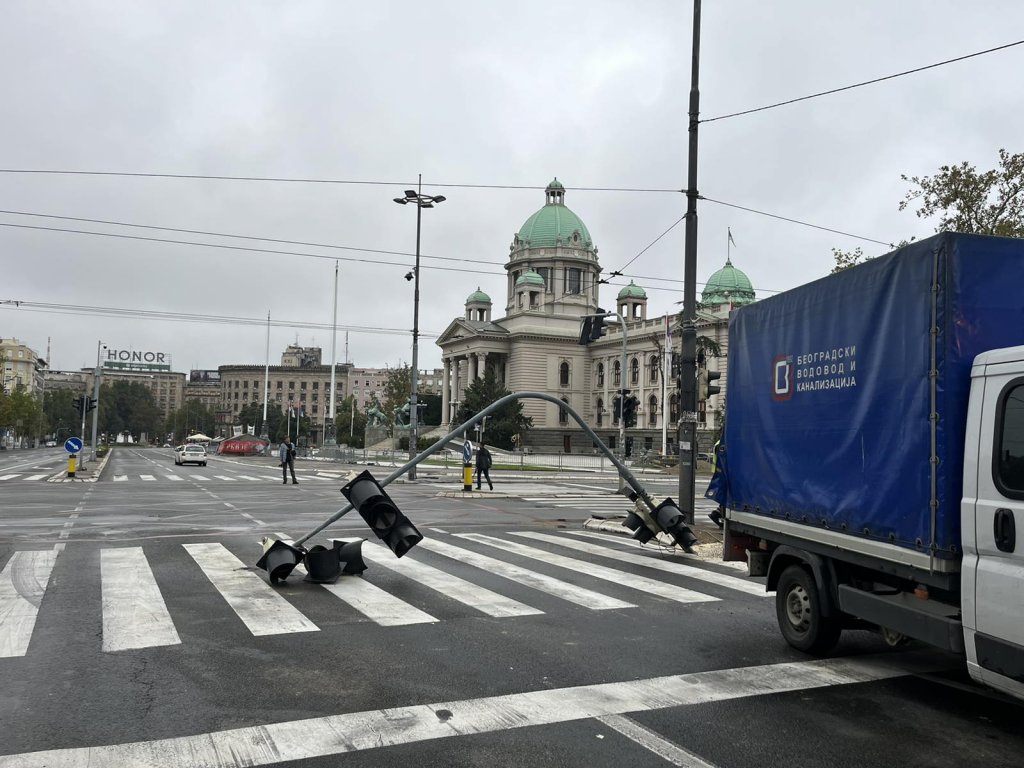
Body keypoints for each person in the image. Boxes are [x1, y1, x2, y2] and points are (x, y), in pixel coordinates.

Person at [706, 438, 725, 528]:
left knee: (724, 496)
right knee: (725, 495)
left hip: (719, 473)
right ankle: (719, 513)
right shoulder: (722, 444)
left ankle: (719, 512)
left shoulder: (719, 443)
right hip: (721, 473)